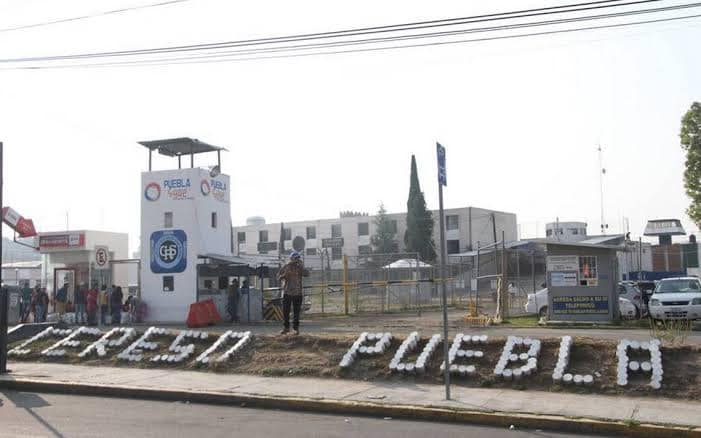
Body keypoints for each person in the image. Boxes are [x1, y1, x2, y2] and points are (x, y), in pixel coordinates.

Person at [278, 251, 309, 335]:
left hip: (297, 293)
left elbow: (307, 274)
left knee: (296, 312)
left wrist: (302, 266)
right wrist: (284, 275)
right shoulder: (286, 266)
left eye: (298, 258)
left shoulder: (300, 268)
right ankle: (286, 328)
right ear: (291, 259)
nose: (296, 260)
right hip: (287, 292)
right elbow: (279, 277)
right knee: (286, 311)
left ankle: (296, 328)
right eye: (295, 258)